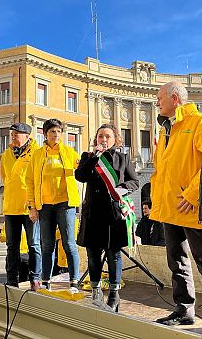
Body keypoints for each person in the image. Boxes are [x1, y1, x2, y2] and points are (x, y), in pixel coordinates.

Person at [150, 82, 202, 338]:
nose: (157, 102)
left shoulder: (200, 123)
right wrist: (155, 201)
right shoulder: (166, 129)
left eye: (160, 97)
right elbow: (162, 171)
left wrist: (193, 194)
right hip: (170, 207)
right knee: (177, 261)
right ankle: (184, 309)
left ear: (174, 98)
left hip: (191, 206)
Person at [76, 124, 139, 312]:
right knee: (93, 255)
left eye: (107, 136)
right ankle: (96, 291)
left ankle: (114, 293)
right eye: (100, 136)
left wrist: (121, 189)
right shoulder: (88, 158)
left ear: (115, 140)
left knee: (114, 254)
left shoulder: (122, 158)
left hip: (113, 214)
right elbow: (80, 176)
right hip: (93, 213)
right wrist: (93, 156)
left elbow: (134, 181)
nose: (103, 139)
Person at [26, 119, 81, 292]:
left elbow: (81, 172)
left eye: (58, 132)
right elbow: (30, 182)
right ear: (45, 134)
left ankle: (74, 281)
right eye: (52, 132)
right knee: (47, 246)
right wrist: (32, 206)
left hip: (65, 204)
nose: (56, 135)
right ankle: (46, 280)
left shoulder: (70, 152)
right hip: (45, 206)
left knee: (69, 244)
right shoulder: (37, 155)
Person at [1, 122, 41, 289]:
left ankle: (35, 278)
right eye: (12, 134)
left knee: (34, 244)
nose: (13, 137)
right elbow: (5, 178)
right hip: (11, 206)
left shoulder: (37, 153)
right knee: (12, 246)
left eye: (16, 134)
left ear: (27, 136)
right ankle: (12, 279)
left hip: (29, 206)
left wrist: (34, 204)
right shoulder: (6, 154)